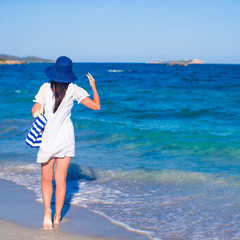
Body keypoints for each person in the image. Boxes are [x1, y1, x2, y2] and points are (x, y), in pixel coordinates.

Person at [31, 56, 100, 229]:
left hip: (48, 138)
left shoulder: (45, 87)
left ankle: (47, 210)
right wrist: (93, 86)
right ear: (69, 73)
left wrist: (38, 113)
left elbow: (35, 110)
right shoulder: (73, 89)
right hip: (66, 139)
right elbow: (96, 106)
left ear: (55, 71)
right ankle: (56, 217)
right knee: (60, 180)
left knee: (46, 178)